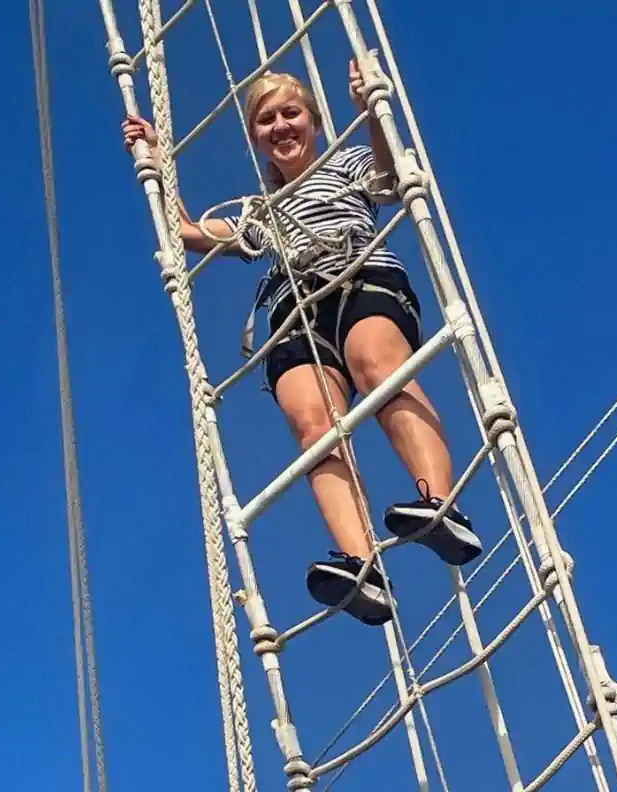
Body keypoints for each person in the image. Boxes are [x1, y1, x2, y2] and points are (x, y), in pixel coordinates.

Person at [120, 62, 482, 627]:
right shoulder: (258, 213)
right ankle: (361, 565)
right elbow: (188, 234)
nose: (281, 125)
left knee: (374, 367)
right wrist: (157, 163)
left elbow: (389, 177)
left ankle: (439, 504)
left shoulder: (346, 162)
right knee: (314, 425)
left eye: (292, 113)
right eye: (267, 120)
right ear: (256, 138)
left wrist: (371, 112)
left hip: (359, 275)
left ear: (313, 120)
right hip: (295, 312)